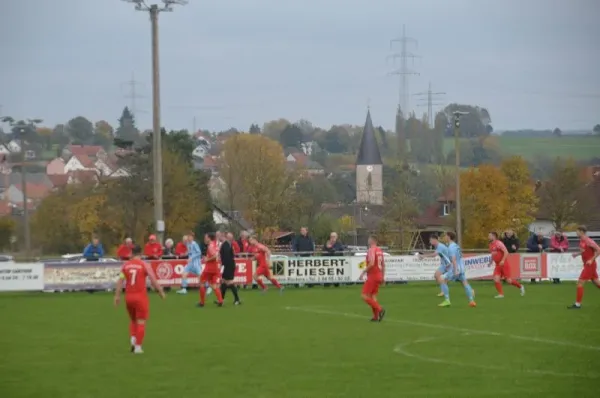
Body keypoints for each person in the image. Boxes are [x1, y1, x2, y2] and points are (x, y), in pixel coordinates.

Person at [113, 245, 165, 354]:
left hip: (129, 297)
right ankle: (138, 347)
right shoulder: (144, 265)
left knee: (133, 320)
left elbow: (120, 281)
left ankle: (133, 339)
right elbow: (153, 279)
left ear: (131, 253)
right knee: (141, 321)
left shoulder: (126, 265)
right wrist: (160, 292)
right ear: (141, 254)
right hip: (140, 297)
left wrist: (117, 296)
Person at [568, 226, 600, 309]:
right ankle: (577, 304)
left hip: (590, 265)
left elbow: (598, 250)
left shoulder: (588, 240)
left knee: (580, 283)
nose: (576, 233)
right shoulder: (582, 240)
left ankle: (577, 304)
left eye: (577, 231)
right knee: (596, 283)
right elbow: (584, 251)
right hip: (588, 264)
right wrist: (577, 254)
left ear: (581, 231)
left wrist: (591, 260)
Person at [489, 231, 525, 298]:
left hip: (504, 264)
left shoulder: (499, 243)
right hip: (497, 265)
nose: (489, 237)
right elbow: (493, 254)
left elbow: (506, 252)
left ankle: (521, 286)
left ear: (494, 236)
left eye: (490, 236)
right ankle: (501, 294)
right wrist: (490, 261)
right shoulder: (490, 244)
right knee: (496, 279)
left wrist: (502, 260)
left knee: (509, 280)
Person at [445, 232, 476, 307]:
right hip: (461, 267)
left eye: (445, 236)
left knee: (442, 280)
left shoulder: (451, 247)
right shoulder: (456, 246)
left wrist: (455, 270)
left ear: (449, 237)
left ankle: (446, 300)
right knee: (465, 283)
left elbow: (454, 259)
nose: (445, 237)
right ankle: (471, 300)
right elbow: (460, 256)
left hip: (456, 268)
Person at [419, 234, 452, 304]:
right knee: (437, 276)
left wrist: (424, 256)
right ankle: (444, 291)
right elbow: (435, 254)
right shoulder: (437, 246)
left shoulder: (440, 246)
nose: (430, 242)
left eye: (431, 240)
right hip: (444, 265)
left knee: (442, 278)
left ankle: (446, 296)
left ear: (435, 240)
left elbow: (434, 255)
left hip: (449, 264)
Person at [359, 235, 385, 321]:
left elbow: (372, 263)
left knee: (364, 295)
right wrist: (383, 277)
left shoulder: (371, 249)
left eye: (369, 239)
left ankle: (380, 309)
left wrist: (363, 272)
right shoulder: (380, 250)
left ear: (372, 241)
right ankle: (376, 317)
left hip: (373, 276)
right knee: (373, 295)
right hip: (379, 275)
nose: (368, 240)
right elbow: (383, 264)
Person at [199, 233, 224, 307]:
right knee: (214, 285)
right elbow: (217, 255)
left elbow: (215, 256)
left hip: (209, 268)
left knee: (201, 283)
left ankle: (202, 303)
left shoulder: (210, 246)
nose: (204, 239)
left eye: (205, 237)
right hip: (216, 268)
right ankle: (220, 301)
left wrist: (207, 259)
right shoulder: (215, 244)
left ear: (209, 238)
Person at [219, 232, 241, 305]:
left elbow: (226, 257)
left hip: (228, 266)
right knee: (224, 282)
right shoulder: (228, 244)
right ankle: (221, 299)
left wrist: (223, 265)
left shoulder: (226, 245)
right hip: (229, 265)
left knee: (229, 282)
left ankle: (237, 299)